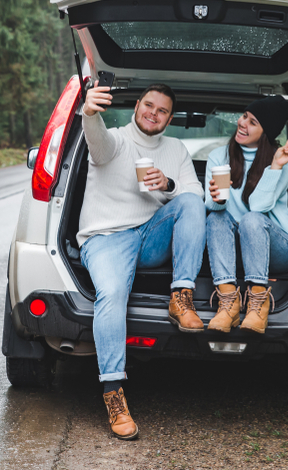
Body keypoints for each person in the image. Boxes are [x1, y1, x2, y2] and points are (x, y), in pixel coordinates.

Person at [78, 81, 205, 440]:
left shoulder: (176, 149)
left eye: (162, 109)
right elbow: (97, 144)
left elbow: (195, 197)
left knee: (190, 202)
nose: (154, 113)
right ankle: (114, 394)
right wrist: (89, 112)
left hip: (150, 235)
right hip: (106, 238)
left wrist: (168, 185)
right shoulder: (116, 139)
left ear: (170, 117)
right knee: (112, 294)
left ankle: (181, 297)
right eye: (149, 105)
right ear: (137, 105)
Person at [203, 96, 288, 335]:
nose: (243, 124)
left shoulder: (282, 163)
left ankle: (258, 303)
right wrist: (217, 200)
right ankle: (228, 304)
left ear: (265, 132)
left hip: (279, 250)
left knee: (251, 219)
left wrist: (276, 167)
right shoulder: (219, 157)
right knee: (215, 218)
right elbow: (212, 207)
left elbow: (258, 207)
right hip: (237, 251)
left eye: (253, 122)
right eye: (244, 117)